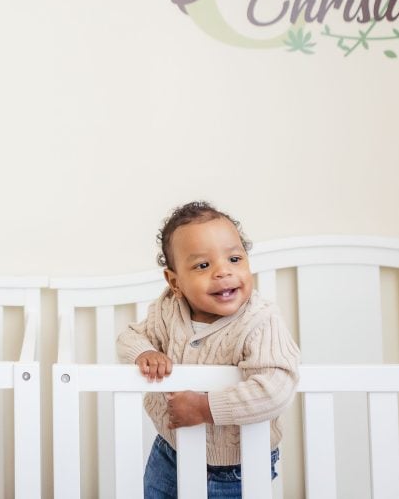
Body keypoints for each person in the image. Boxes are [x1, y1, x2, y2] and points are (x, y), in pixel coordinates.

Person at [117, 201, 300, 499]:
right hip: (170, 450)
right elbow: (130, 336)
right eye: (203, 265)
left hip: (237, 467)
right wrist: (144, 353)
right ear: (175, 282)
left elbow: (275, 390)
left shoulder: (260, 320)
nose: (223, 272)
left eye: (235, 259)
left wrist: (204, 408)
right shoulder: (168, 310)